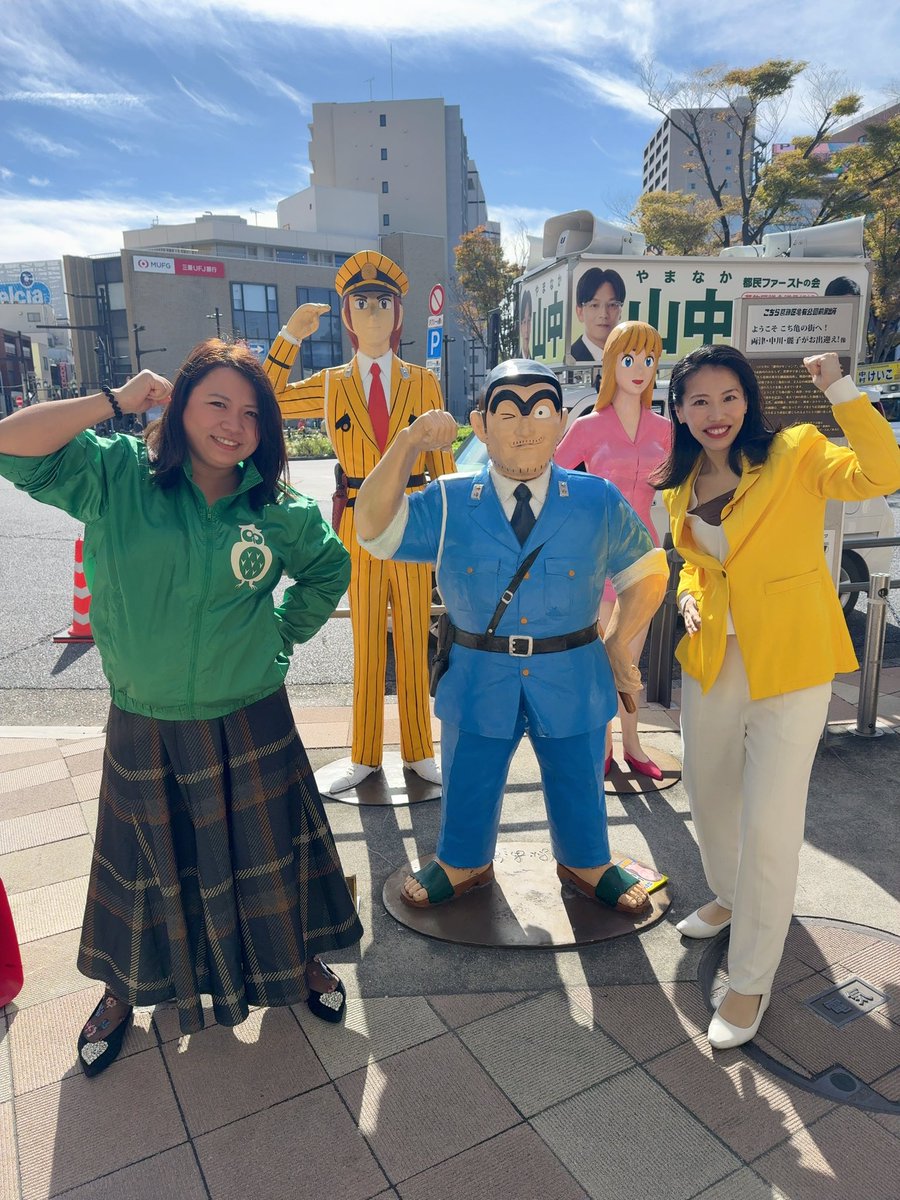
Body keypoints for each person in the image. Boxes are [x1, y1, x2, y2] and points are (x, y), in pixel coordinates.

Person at [0, 341, 363, 1077]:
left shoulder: (277, 508)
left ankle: (301, 966)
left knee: (269, 862)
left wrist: (279, 634)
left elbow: (330, 567)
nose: (234, 425)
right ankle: (119, 991)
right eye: (217, 404)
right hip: (147, 719)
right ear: (181, 405)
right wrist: (113, 401)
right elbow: (11, 446)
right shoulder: (115, 476)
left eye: (252, 414)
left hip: (252, 715)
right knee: (142, 871)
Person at [355, 359, 668, 912]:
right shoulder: (450, 501)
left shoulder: (595, 499)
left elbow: (647, 570)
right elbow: (375, 530)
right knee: (470, 771)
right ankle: (462, 860)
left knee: (577, 773)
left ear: (563, 421)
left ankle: (587, 859)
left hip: (571, 667)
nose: (526, 427)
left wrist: (618, 646)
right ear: (480, 425)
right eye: (508, 412)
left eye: (542, 410)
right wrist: (406, 445)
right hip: (479, 671)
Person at [655, 345, 900, 1049]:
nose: (715, 413)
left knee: (769, 821)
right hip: (715, 661)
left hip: (791, 661)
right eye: (698, 400)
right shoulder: (678, 480)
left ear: (749, 399)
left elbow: (883, 470)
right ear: (680, 411)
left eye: (728, 396)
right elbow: (695, 566)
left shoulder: (795, 451)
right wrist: (691, 597)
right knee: (707, 792)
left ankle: (753, 974)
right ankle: (734, 896)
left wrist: (844, 392)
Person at [264, 251, 456, 795]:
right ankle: (363, 753)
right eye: (361, 303)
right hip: (356, 526)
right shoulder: (330, 384)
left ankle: (421, 750)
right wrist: (290, 338)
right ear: (347, 316)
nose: (373, 313)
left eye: (383, 303)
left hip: (415, 522)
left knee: (417, 639)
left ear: (399, 316)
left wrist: (448, 536)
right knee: (367, 642)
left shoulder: (423, 384)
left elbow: (441, 465)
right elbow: (266, 396)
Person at [556, 321, 672, 778]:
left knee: (631, 657)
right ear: (611, 365)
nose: (639, 369)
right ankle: (601, 745)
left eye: (648, 359)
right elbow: (553, 479)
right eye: (629, 359)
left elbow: (688, 484)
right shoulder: (587, 426)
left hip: (643, 555)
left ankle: (633, 744)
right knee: (601, 655)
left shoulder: (666, 427)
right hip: (596, 554)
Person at [570, 267, 626, 362]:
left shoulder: (628, 358)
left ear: (620, 311)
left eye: (612, 305)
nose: (604, 314)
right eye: (594, 305)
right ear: (579, 312)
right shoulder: (570, 358)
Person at [519, 289, 533, 358]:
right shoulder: (516, 361)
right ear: (520, 327)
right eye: (524, 322)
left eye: (529, 321)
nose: (527, 329)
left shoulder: (535, 360)